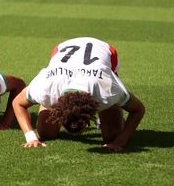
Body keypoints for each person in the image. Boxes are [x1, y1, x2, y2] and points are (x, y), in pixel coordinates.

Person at [12, 37, 145, 152]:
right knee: (46, 132)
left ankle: (109, 113)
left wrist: (120, 141)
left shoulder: (107, 90)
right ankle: (47, 106)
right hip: (63, 51)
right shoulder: (46, 87)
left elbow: (138, 109)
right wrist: (31, 137)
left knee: (112, 135)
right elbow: (17, 103)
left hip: (104, 52)